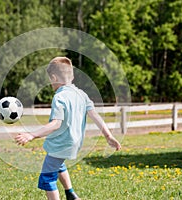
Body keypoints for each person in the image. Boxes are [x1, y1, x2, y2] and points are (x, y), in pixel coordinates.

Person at [15, 56, 121, 200]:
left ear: (53, 78)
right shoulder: (82, 94)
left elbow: (56, 124)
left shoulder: (59, 97)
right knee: (58, 164)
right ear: (72, 76)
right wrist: (108, 136)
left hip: (60, 143)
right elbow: (95, 115)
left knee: (47, 177)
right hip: (75, 143)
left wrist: (32, 135)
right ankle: (71, 194)